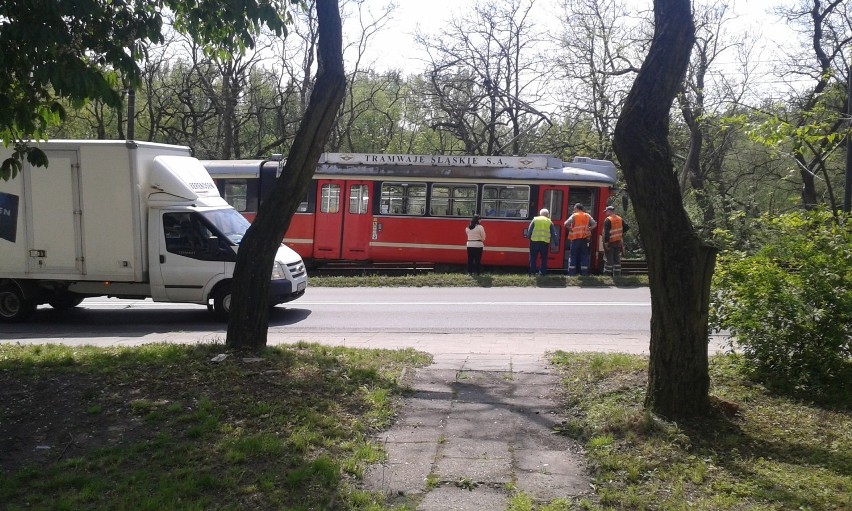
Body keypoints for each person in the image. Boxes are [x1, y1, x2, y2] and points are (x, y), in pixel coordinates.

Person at [564, 203, 597, 276]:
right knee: (584, 255)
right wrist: (589, 229)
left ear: (576, 208)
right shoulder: (587, 215)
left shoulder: (574, 215)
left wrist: (571, 229)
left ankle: (572, 273)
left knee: (573, 255)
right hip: (584, 239)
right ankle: (584, 273)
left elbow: (566, 224)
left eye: (574, 209)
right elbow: (594, 224)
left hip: (575, 238)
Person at [526, 208, 558, 276]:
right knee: (544, 258)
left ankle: (532, 273)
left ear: (540, 214)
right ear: (547, 214)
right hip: (544, 243)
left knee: (533, 258)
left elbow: (530, 230)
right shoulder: (549, 221)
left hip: (534, 241)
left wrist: (529, 238)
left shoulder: (535, 220)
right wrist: (556, 242)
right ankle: (542, 273)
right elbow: (554, 233)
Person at [602, 205, 629, 277]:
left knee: (609, 259)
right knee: (617, 259)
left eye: (606, 211)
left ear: (609, 211)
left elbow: (606, 232)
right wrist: (619, 233)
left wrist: (606, 243)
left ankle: (607, 275)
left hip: (611, 242)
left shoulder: (608, 219)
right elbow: (627, 227)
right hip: (618, 242)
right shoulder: (620, 218)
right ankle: (617, 275)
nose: (606, 213)